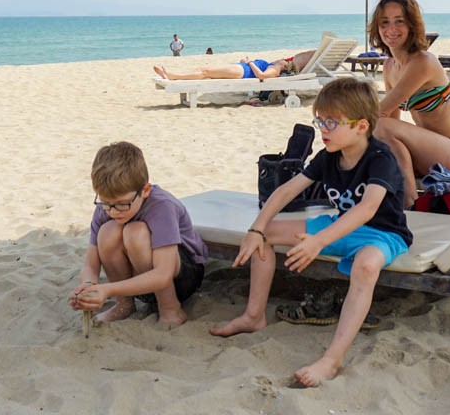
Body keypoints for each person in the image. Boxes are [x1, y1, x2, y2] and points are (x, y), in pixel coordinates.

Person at [210, 77, 411, 386]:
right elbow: (285, 191)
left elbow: (368, 208)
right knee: (265, 235)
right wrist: (256, 229)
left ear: (361, 126)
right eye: (320, 120)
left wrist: (319, 241)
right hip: (339, 227)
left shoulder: (380, 159)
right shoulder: (328, 156)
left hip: (382, 233)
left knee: (367, 265)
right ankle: (254, 316)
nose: (323, 129)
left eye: (332, 122)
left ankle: (332, 360)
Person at [69, 141, 208, 329]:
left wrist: (108, 289)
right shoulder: (106, 207)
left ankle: (170, 308)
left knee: (135, 232)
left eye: (122, 203)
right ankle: (124, 305)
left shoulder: (162, 206)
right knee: (107, 232)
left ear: (145, 190)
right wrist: (87, 286)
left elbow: (163, 274)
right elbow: (90, 264)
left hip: (182, 277)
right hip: (142, 281)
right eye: (106, 202)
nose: (113, 211)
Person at [369, 0, 450, 208]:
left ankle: (409, 202)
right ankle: (400, 204)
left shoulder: (423, 61)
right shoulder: (390, 66)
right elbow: (390, 121)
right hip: (429, 153)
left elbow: (380, 112)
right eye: (384, 22)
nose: (391, 29)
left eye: (399, 21)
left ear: (412, 25)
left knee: (379, 126)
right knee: (381, 139)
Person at [154, 49, 312, 81]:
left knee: (206, 71)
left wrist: (250, 62)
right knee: (203, 70)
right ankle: (173, 74)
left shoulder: (276, 69)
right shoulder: (278, 65)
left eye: (286, 61)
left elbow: (262, 76)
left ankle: (173, 76)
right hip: (243, 68)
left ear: (285, 66)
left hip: (243, 71)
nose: (285, 59)